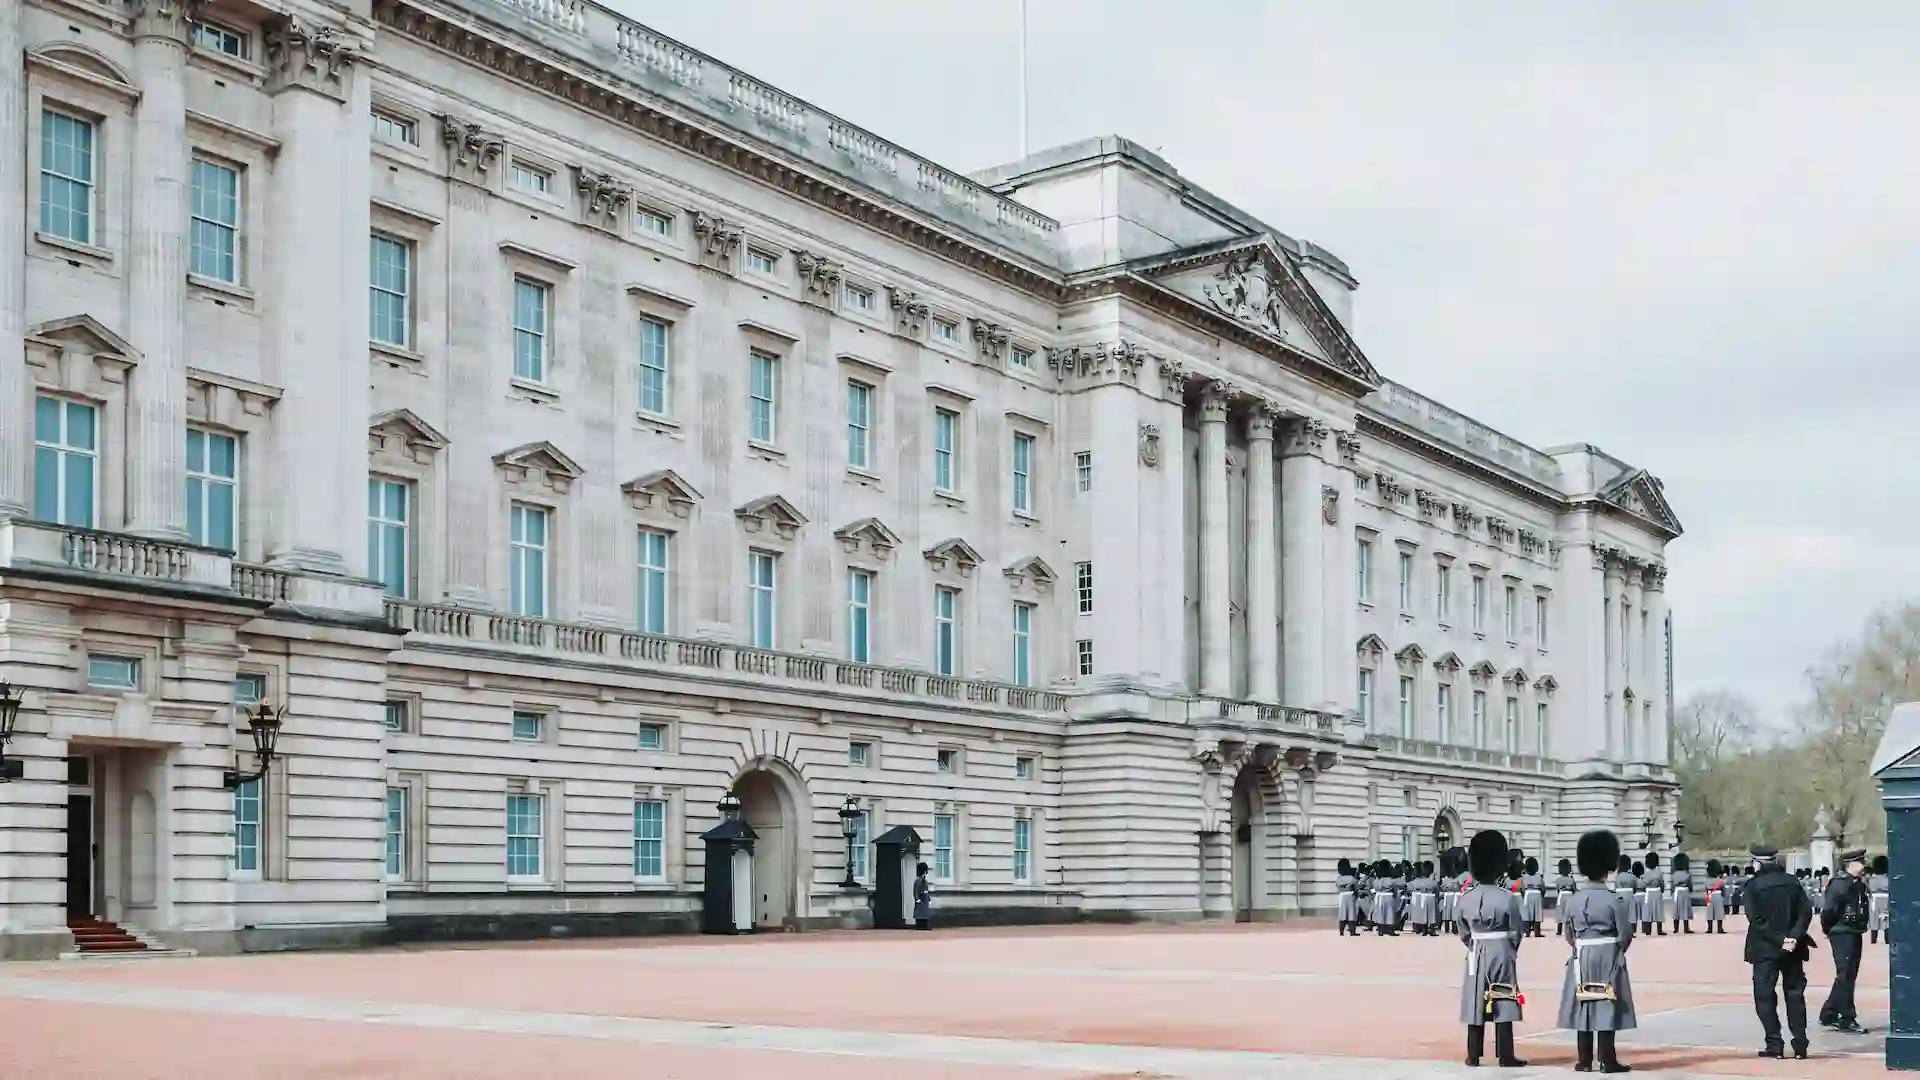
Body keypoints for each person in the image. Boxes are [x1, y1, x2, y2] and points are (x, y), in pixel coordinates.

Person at [1559, 829, 1636, 1073]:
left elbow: (1568, 934)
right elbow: (1625, 934)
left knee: (1584, 1001)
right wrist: (1616, 951)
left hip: (1581, 954)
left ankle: (1583, 1060)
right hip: (1607, 953)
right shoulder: (1614, 900)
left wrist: (1580, 947)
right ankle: (1607, 1059)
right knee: (1606, 1002)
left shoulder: (1573, 900)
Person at [1459, 830, 1527, 1068]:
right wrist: (1509, 950)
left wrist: (1475, 945)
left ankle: (1473, 1054)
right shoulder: (1508, 897)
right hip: (1501, 949)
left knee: (1475, 1000)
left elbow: (1463, 932)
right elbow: (1517, 930)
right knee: (1504, 998)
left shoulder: (1466, 898)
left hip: (1476, 950)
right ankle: (1505, 1054)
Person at [1744, 845, 1814, 1060]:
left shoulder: (1753, 886)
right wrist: (1792, 937)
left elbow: (1756, 921)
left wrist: (1779, 939)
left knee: (1764, 996)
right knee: (1794, 995)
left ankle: (1774, 1044)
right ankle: (1800, 1044)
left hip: (1766, 949)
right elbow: (1805, 912)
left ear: (1757, 862)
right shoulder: (1793, 881)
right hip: (1793, 948)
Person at [1818, 848, 1871, 1035]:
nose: (1863, 866)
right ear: (1850, 865)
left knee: (1847, 974)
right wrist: (1829, 929)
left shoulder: (1857, 884)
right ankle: (1847, 1017)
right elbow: (1829, 911)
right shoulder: (1840, 885)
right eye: (1860, 862)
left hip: (1853, 931)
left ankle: (1829, 1013)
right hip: (1842, 933)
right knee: (1846, 974)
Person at [1519, 857, 1546, 938]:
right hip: (1537, 894)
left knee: (1527, 914)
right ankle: (1537, 932)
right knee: (1537, 915)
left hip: (1528, 894)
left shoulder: (1523, 878)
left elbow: (1521, 888)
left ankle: (1527, 932)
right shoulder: (1539, 877)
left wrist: (1523, 895)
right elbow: (1543, 888)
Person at [1374, 860, 1402, 936]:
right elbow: (1395, 891)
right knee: (1390, 913)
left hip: (1379, 897)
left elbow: (1375, 889)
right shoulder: (1391, 880)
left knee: (1380, 913)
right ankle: (1390, 930)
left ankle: (1380, 930)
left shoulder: (1377, 880)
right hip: (1389, 897)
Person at [1640, 852, 1665, 937]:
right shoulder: (1659, 872)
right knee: (1659, 910)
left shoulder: (1645, 873)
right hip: (1657, 891)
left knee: (1648, 911)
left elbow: (1643, 884)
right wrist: (1662, 890)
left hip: (1648, 892)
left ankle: (1648, 930)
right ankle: (1659, 930)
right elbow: (1662, 883)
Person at [1336, 857, 1361, 936]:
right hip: (1350, 895)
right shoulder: (1352, 878)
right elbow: (1357, 887)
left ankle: (1341, 931)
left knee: (1342, 914)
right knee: (1351, 913)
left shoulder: (1338, 879)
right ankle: (1352, 931)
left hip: (1342, 896)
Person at [1671, 852, 1695, 934]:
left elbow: (1672, 885)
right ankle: (1686, 928)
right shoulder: (1687, 874)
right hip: (1685, 892)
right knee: (1685, 909)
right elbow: (1690, 885)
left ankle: (1676, 929)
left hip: (1677, 892)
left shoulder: (1674, 874)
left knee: (1676, 910)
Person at [1870, 855, 1891, 945]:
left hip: (1874, 900)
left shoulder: (1871, 879)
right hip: (1886, 899)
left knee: (1874, 919)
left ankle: (1873, 939)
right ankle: (1887, 940)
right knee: (1886, 920)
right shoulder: (1887, 878)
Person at [1705, 860, 1729, 934]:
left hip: (1709, 895)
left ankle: (1709, 928)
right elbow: (1724, 887)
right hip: (1718, 894)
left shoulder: (1707, 880)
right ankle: (1720, 928)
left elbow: (1706, 888)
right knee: (1719, 912)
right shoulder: (1720, 880)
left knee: (1709, 912)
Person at [1555, 858, 1577, 933]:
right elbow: (1574, 889)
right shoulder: (1571, 879)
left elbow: (1558, 889)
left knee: (1560, 913)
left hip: (1561, 895)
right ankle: (1571, 929)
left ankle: (1559, 930)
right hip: (1570, 896)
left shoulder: (1558, 879)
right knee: (1570, 914)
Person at [913, 861, 932, 930]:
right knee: (920, 913)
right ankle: (919, 926)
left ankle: (925, 925)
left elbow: (927, 891)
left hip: (925, 899)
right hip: (921, 900)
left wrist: (929, 899)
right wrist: (917, 899)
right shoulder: (918, 880)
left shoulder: (924, 881)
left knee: (925, 913)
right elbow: (916, 890)